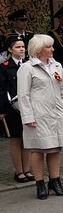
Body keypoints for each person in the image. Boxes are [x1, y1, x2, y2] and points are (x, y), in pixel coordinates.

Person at [17, 34, 63, 199]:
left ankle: (55, 182)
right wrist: (28, 117)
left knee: (55, 148)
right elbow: (23, 95)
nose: (52, 49)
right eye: (49, 47)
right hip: (38, 115)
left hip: (55, 114)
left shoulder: (57, 65)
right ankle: (40, 184)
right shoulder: (27, 68)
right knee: (38, 149)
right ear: (38, 49)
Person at [0, 36, 33, 183]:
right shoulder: (4, 67)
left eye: (23, 46)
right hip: (12, 108)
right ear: (9, 49)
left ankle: (27, 169)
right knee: (16, 138)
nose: (21, 49)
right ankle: (18, 171)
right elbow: (2, 90)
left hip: (28, 106)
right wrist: (2, 110)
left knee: (27, 138)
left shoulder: (29, 64)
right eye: (17, 47)